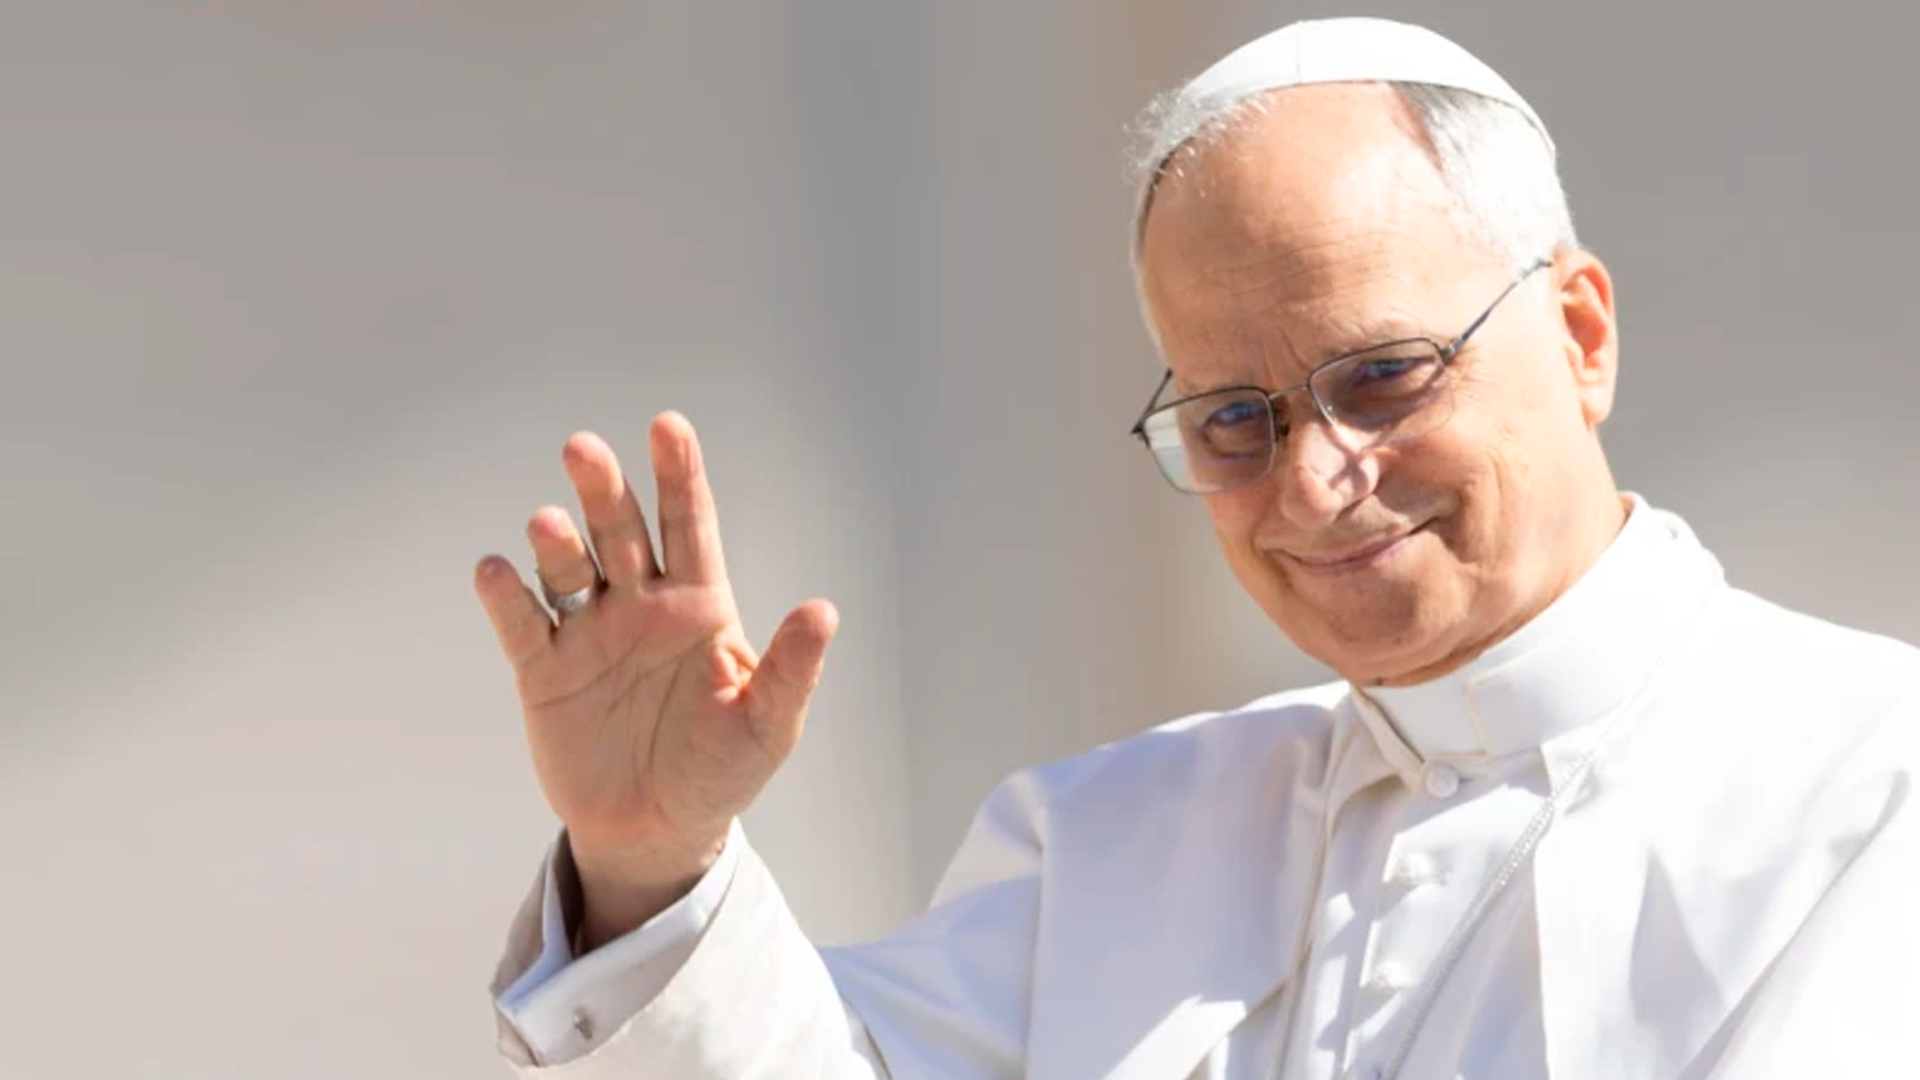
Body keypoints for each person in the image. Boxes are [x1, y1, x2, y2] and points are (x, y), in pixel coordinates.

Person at [470, 17, 1920, 1080]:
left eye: (1383, 377)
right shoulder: (1104, 839)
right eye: (1234, 420)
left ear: (1581, 335)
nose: (1317, 482)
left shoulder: (1873, 785)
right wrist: (651, 862)